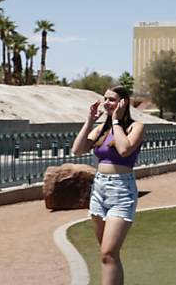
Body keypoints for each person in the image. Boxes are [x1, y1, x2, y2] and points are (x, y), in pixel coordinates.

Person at [71, 85, 145, 285]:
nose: (106, 103)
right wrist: (90, 121)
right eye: (105, 99)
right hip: (99, 189)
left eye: (111, 99)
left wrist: (116, 121)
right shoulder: (101, 129)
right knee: (106, 256)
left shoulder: (135, 127)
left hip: (121, 190)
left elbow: (124, 149)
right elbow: (77, 150)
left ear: (123, 102)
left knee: (109, 252)